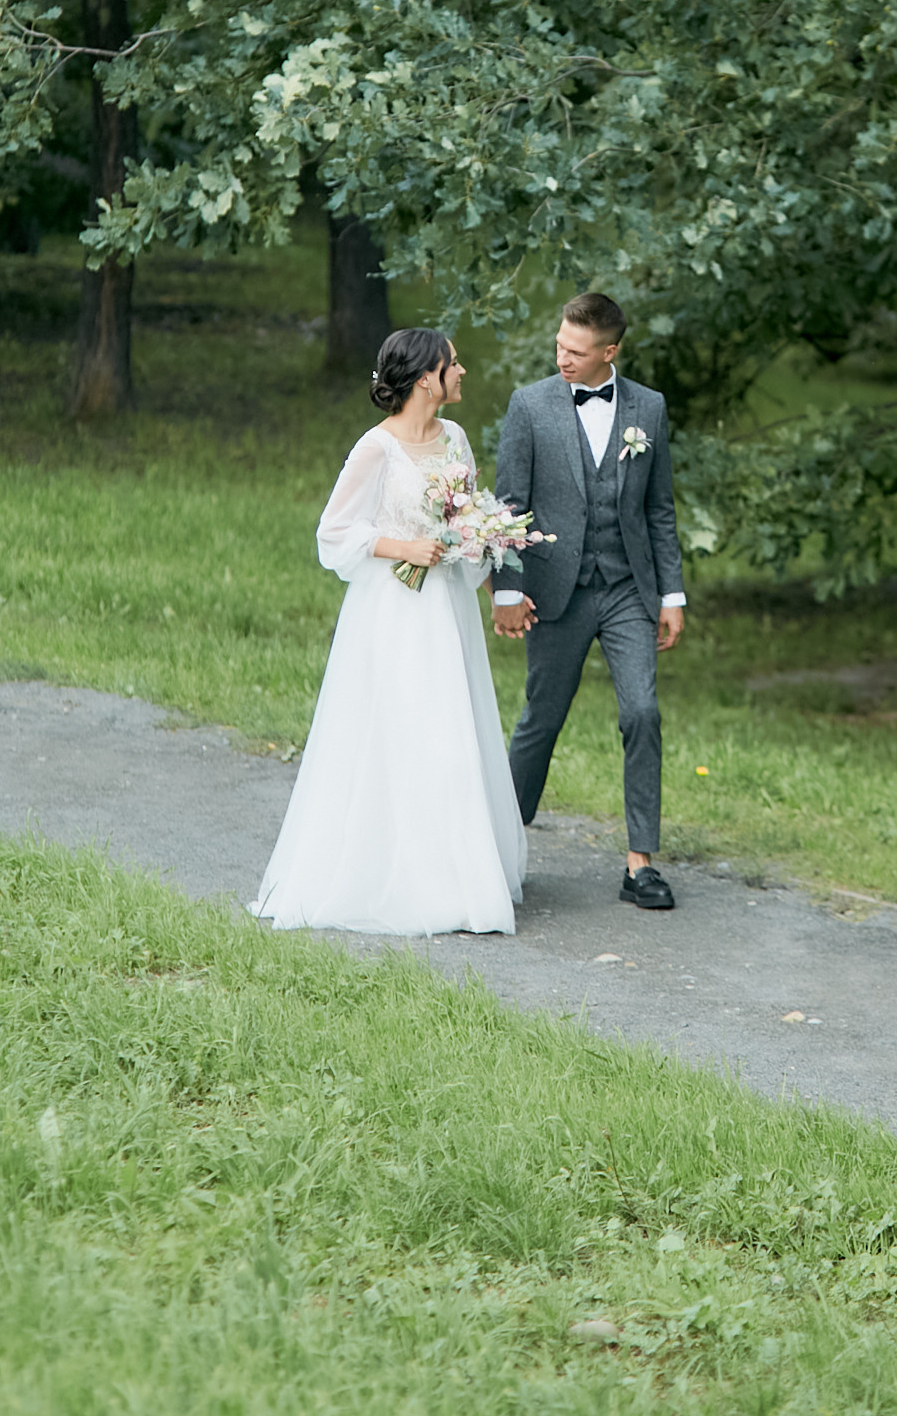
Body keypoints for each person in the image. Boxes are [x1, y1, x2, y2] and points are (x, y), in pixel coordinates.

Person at [251, 328, 525, 937]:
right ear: (427, 377)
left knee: (451, 730)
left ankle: (456, 876)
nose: (462, 371)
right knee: (402, 730)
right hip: (394, 612)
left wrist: (495, 581)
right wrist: (404, 546)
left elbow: (471, 520)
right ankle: (389, 875)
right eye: (453, 364)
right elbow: (332, 534)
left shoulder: (454, 438)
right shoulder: (376, 449)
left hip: (447, 610)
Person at [491, 290, 687, 912]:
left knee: (643, 714)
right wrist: (508, 589)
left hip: (629, 588)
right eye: (559, 346)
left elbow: (659, 510)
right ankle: (500, 851)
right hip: (556, 592)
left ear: (611, 351)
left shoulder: (648, 410)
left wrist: (672, 593)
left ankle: (640, 866)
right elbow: (508, 506)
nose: (564, 359)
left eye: (577, 351)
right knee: (540, 720)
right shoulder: (530, 406)